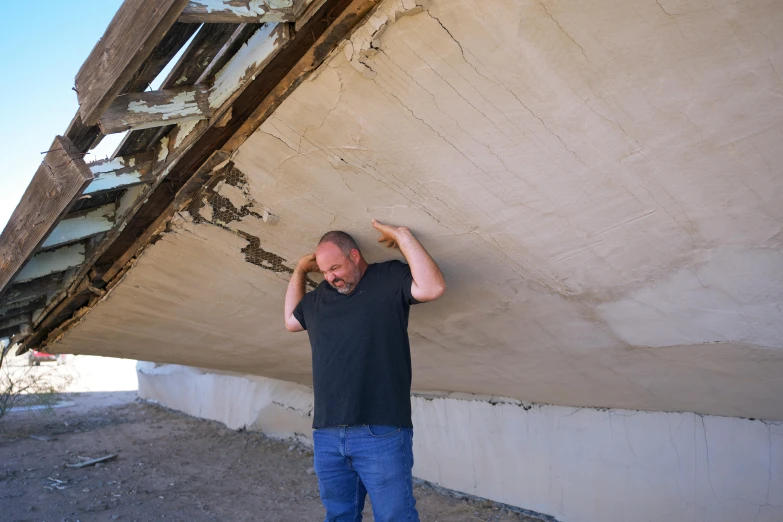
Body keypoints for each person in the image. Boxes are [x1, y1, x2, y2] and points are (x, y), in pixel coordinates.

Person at [284, 219, 446, 522]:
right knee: (339, 516)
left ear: (355, 256)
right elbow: (291, 322)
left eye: (336, 268)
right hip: (328, 433)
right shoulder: (318, 297)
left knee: (395, 516)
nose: (331, 277)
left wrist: (403, 236)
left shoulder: (387, 278)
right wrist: (300, 270)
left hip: (381, 430)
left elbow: (432, 287)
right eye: (325, 271)